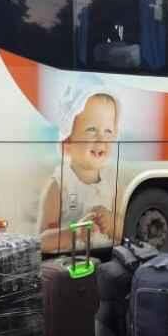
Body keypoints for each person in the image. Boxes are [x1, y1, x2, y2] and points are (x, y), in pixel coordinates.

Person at [38, 83, 120, 253]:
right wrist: (74, 233)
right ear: (67, 142)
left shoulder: (112, 184)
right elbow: (41, 241)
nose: (101, 139)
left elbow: (125, 231)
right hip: (70, 266)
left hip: (103, 265)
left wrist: (113, 222)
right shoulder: (60, 185)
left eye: (108, 131)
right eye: (91, 129)